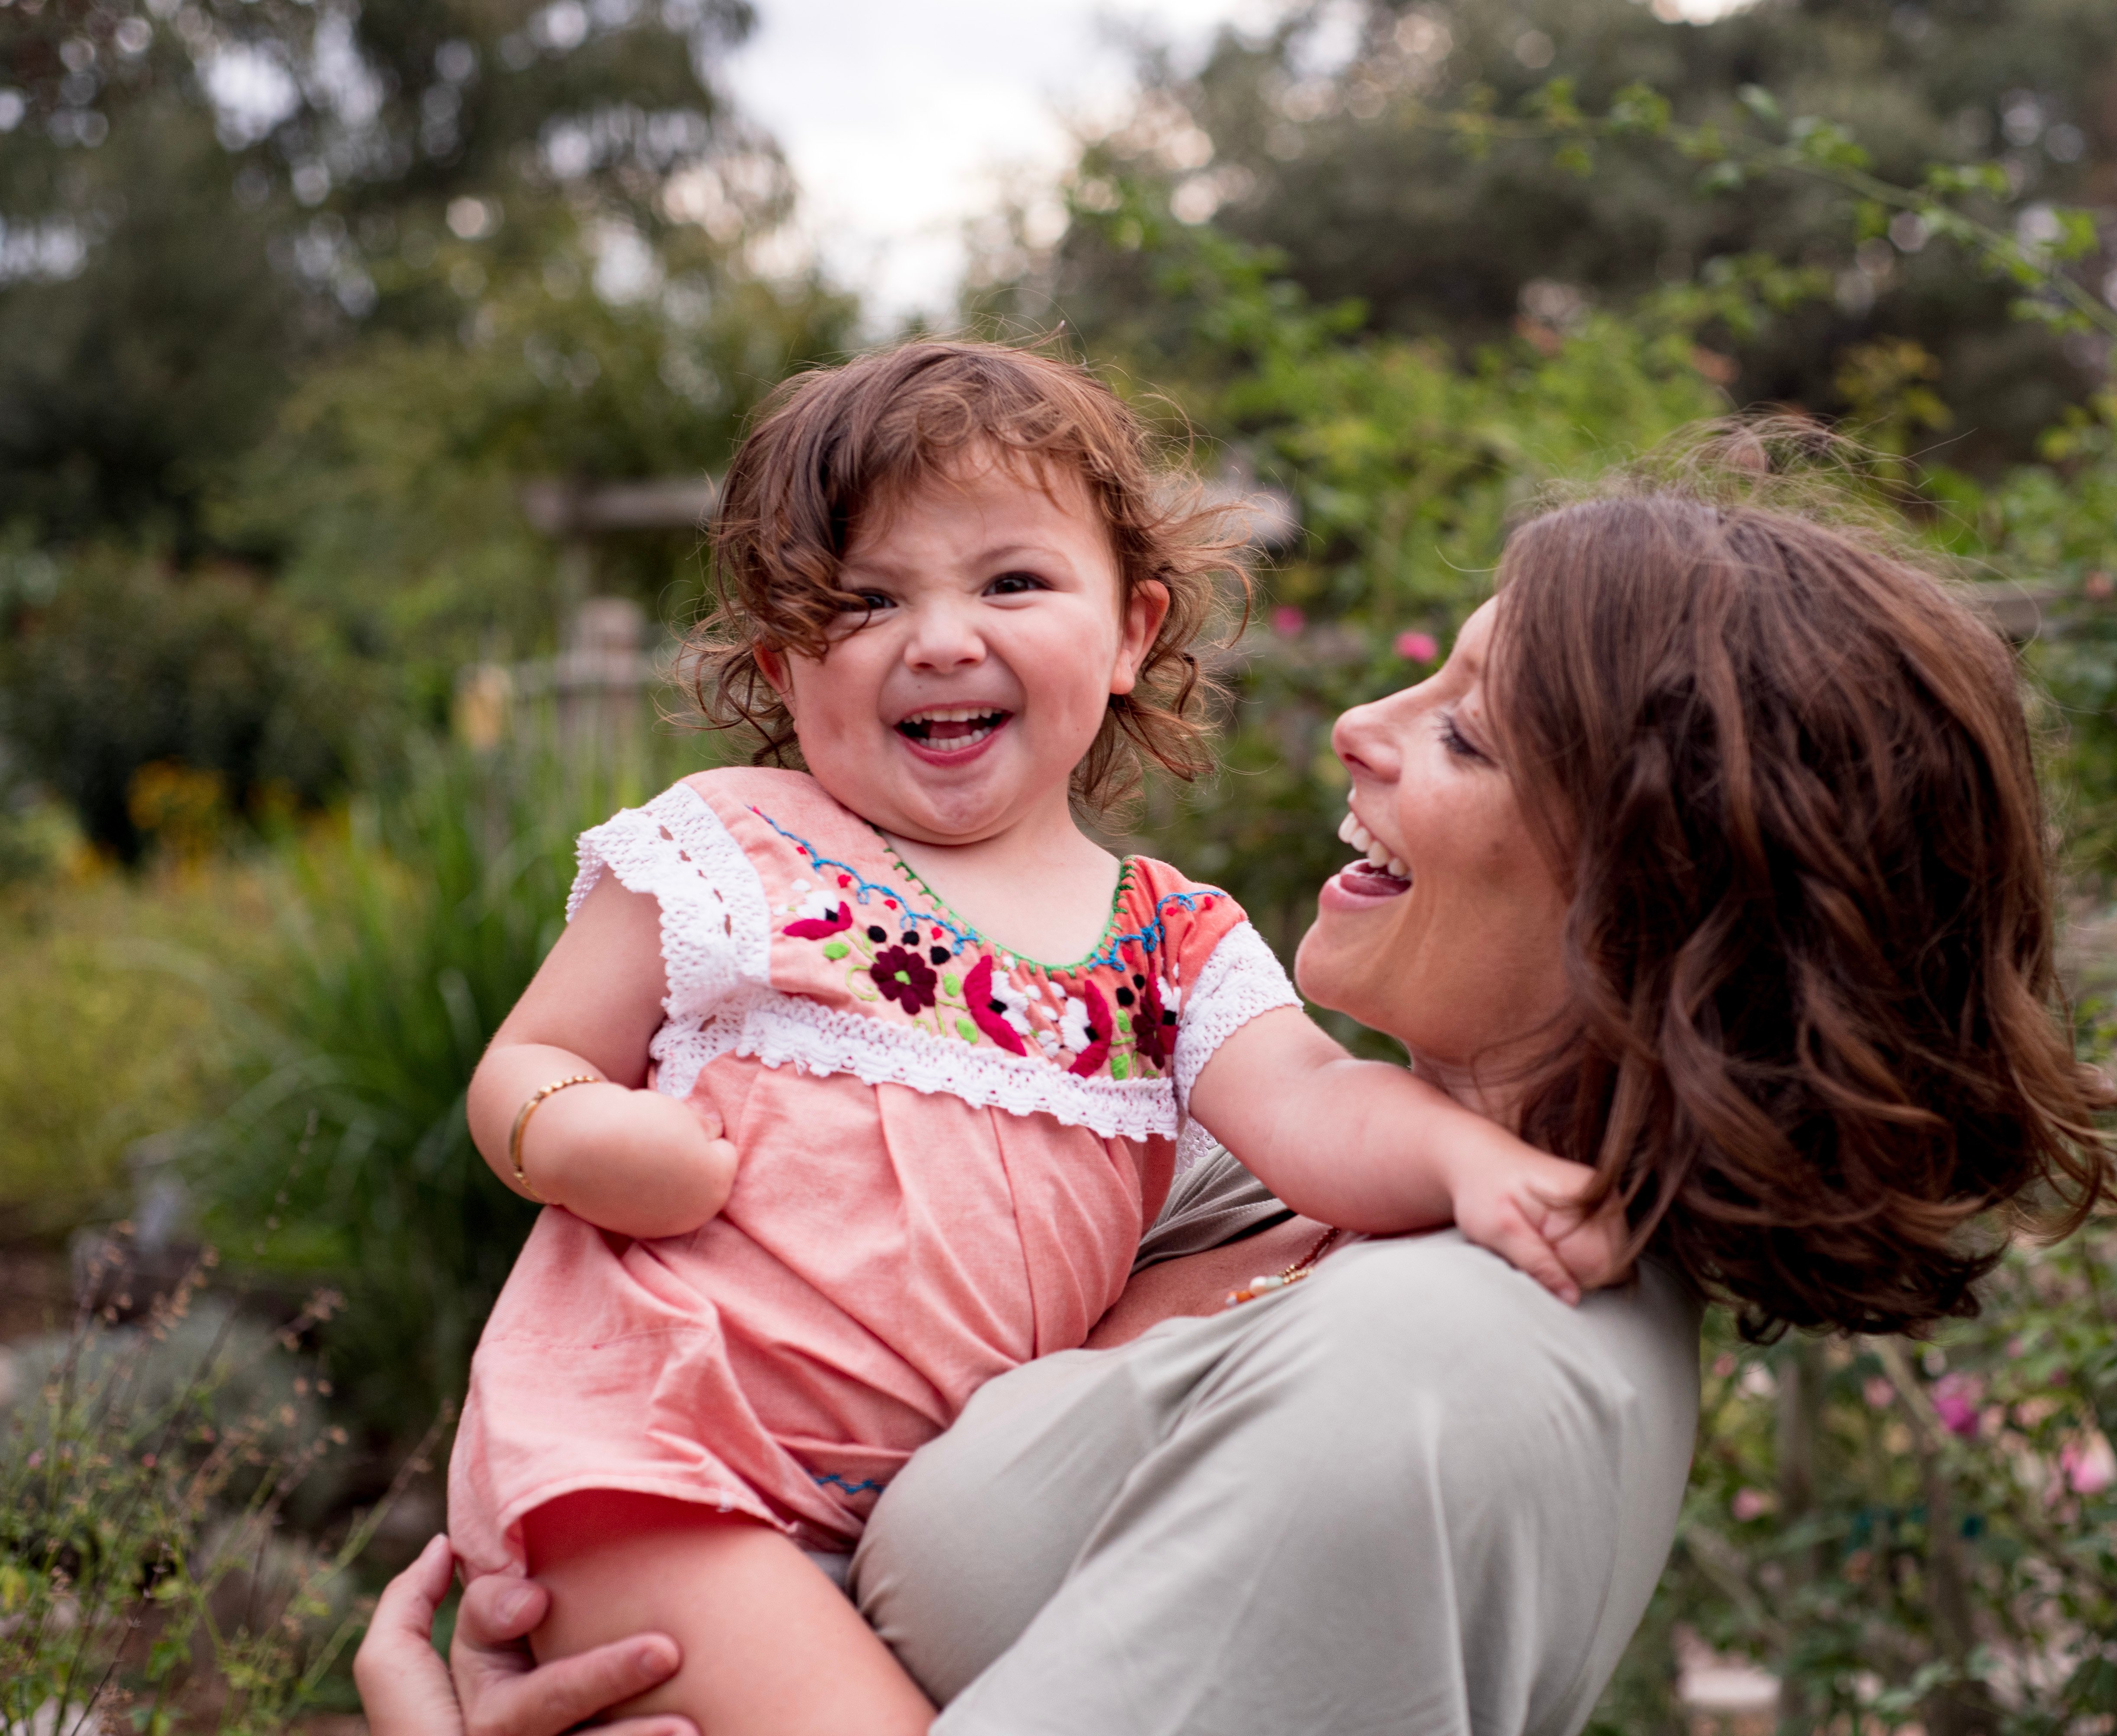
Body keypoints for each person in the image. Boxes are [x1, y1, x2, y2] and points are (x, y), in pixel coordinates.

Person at [358, 425, 2115, 1736]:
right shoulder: (1257, 1175)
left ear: (1658, 892)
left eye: (1467, 728)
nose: (1360, 723)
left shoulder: (1439, 1374)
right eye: (870, 600)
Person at [441, 341, 1621, 1736]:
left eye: (1011, 582)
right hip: (661, 1464)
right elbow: (526, 1063)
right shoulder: (733, 851)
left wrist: (1476, 1166)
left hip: (879, 1513)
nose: (941, 638)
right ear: (782, 666)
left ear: (1131, 632)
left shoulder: (1171, 943)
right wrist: (584, 1135)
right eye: (868, 600)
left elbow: (1319, 1105)